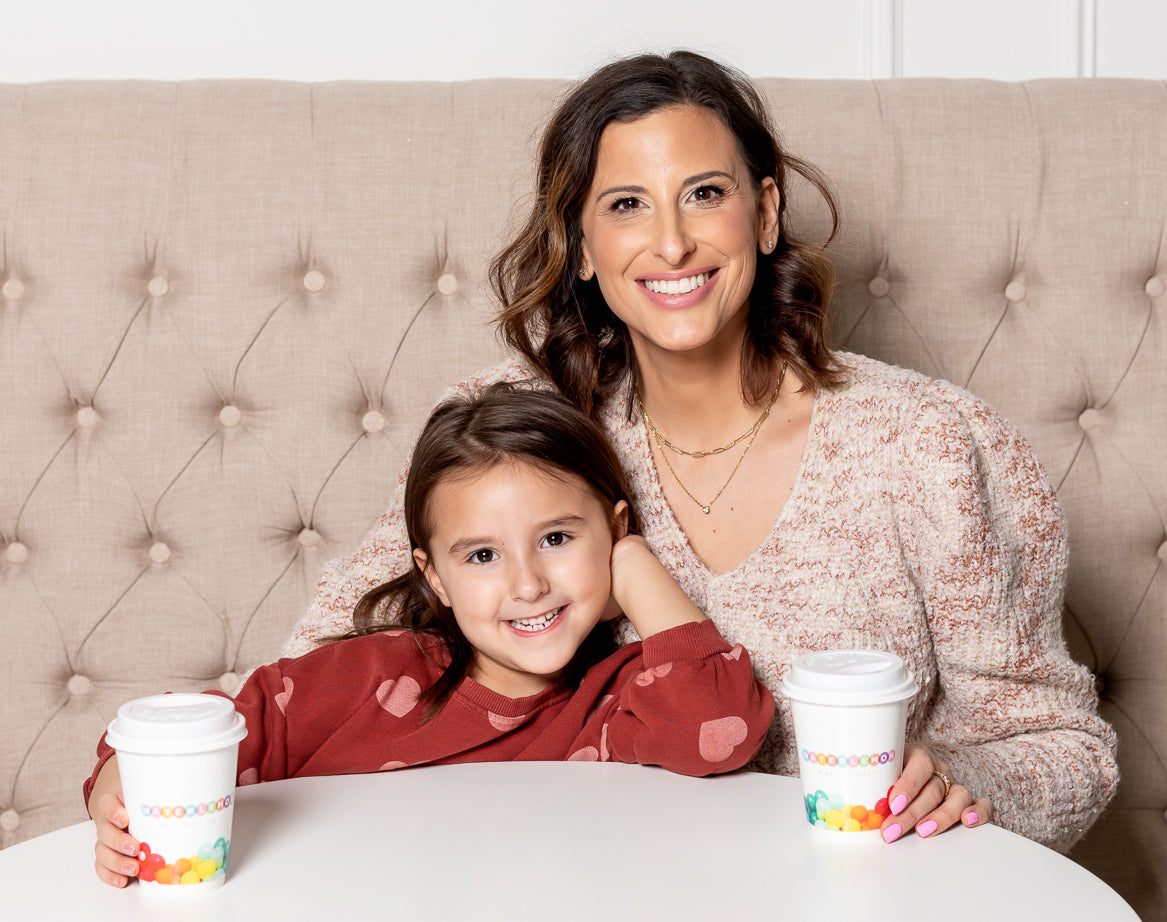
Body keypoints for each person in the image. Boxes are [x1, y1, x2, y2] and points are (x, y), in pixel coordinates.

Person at [282, 51, 1118, 852]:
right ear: (579, 246)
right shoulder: (508, 430)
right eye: (625, 205)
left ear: (763, 215)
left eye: (703, 194)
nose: (672, 244)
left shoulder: (929, 446)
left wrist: (966, 787)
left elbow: (1058, 744)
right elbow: (321, 674)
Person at [86, 385, 775, 888]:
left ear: (616, 530)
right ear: (435, 578)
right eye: (481, 556)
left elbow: (719, 727)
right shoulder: (369, 677)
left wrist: (633, 566)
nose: (527, 583)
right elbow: (196, 732)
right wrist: (117, 797)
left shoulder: (626, 698)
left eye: (557, 539)